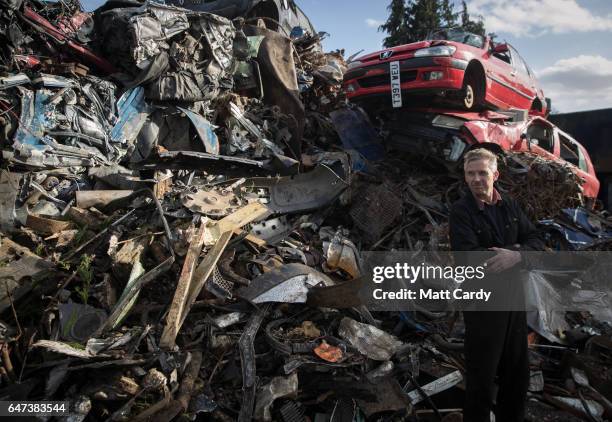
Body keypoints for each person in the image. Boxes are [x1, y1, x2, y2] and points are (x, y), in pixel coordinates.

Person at [448, 148, 544, 422]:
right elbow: (468, 255)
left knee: (517, 373)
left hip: (514, 299)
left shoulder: (510, 206)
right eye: (470, 174)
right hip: (483, 302)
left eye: (482, 173)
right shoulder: (461, 211)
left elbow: (535, 239)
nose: (477, 179)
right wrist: (511, 254)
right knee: (482, 375)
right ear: (465, 178)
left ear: (495, 174)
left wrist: (516, 255)